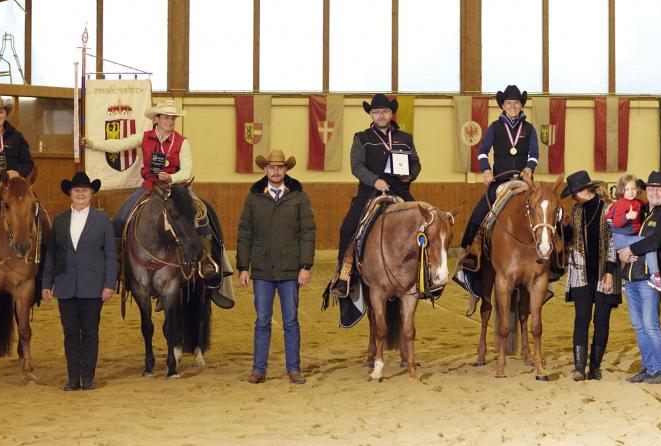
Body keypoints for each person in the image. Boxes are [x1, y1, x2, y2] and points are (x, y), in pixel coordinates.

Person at [81, 100, 231, 307]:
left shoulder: (182, 142)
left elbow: (188, 170)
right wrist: (93, 144)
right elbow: (120, 144)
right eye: (166, 117)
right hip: (150, 187)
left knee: (201, 216)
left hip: (177, 188)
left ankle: (206, 262)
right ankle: (119, 264)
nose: (170, 121)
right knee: (120, 218)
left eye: (173, 118)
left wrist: (172, 177)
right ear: (157, 119)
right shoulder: (144, 138)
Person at [328, 94, 420, 326]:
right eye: (376, 112)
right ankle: (344, 275)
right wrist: (375, 180)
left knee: (424, 224)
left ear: (391, 114)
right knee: (347, 228)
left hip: (400, 191)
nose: (381, 115)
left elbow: (416, 162)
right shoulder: (362, 138)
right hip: (370, 192)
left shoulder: (405, 138)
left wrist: (411, 175)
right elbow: (356, 166)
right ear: (371, 115)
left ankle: (426, 276)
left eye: (385, 112)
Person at [237, 149, 316, 385]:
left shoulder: (299, 197)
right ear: (265, 170)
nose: (276, 171)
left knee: (290, 320)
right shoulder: (253, 198)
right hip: (262, 270)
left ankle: (294, 368)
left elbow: (307, 232)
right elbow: (245, 233)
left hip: (290, 270)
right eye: (272, 167)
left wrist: (305, 265)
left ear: (285, 170)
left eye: (280, 167)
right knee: (262, 321)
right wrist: (243, 266)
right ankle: (258, 369)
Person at [40, 172, 117, 391]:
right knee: (71, 334)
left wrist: (109, 283)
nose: (81, 193)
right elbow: (52, 254)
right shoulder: (59, 220)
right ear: (70, 193)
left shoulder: (103, 220)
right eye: (77, 190)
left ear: (91, 193)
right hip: (65, 285)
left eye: (85, 190)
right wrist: (46, 283)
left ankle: (88, 377)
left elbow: (111, 255)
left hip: (93, 286)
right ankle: (73, 378)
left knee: (90, 333)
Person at [457, 84, 538, 273]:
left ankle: (552, 255)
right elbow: (482, 152)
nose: (512, 106)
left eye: (516, 103)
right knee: (478, 214)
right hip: (500, 181)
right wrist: (486, 171)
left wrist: (529, 168)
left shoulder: (529, 129)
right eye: (508, 103)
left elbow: (534, 154)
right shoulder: (495, 127)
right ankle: (469, 251)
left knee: (544, 211)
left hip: (524, 182)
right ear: (502, 106)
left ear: (521, 105)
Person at [616, 171, 661, 384]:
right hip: (632, 278)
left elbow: (656, 241)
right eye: (651, 189)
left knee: (651, 325)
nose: (654, 192)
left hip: (649, 280)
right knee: (639, 326)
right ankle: (650, 367)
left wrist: (629, 249)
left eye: (659, 189)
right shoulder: (642, 211)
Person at [561, 171, 619, 382]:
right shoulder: (576, 211)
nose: (572, 197)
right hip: (580, 273)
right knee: (581, 319)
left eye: (574, 193)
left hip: (606, 273)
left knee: (601, 321)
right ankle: (579, 368)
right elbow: (570, 240)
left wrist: (609, 271)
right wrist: (564, 227)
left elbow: (613, 242)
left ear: (585, 190)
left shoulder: (608, 210)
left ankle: (595, 367)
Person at [607, 174, 661, 293]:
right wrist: (627, 216)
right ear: (621, 190)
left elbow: (646, 205)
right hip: (620, 237)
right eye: (627, 189)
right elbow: (616, 223)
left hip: (628, 236)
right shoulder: (622, 203)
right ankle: (655, 275)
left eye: (633, 189)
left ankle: (627, 281)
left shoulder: (636, 202)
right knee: (647, 244)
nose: (631, 192)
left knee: (636, 255)